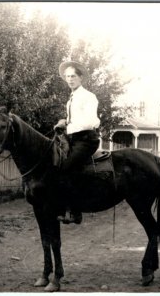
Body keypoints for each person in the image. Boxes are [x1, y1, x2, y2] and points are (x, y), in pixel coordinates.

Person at [55, 61, 100, 224]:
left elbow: (91, 121)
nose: (70, 79)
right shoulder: (71, 99)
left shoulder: (88, 97)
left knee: (67, 168)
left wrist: (69, 128)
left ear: (80, 78)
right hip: (74, 139)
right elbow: (74, 119)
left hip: (87, 139)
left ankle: (76, 211)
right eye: (67, 76)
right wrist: (64, 122)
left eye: (73, 76)